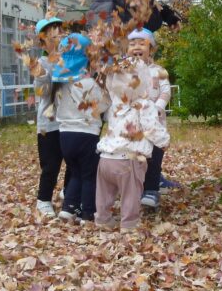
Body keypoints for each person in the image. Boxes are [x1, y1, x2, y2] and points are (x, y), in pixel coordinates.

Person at [95, 56, 170, 232]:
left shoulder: (114, 105)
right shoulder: (143, 104)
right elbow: (152, 128)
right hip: (129, 159)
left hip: (105, 158)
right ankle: (129, 223)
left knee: (104, 193)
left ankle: (102, 218)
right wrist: (164, 141)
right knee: (131, 194)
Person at [53, 34, 110, 222]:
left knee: (75, 172)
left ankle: (68, 208)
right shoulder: (88, 84)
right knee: (89, 176)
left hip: (64, 135)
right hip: (86, 135)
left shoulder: (59, 85)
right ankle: (88, 213)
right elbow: (102, 106)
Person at [126, 28, 174, 209]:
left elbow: (166, 91)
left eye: (141, 43)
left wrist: (158, 107)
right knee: (134, 158)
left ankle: (152, 190)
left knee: (154, 157)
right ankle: (134, 189)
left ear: (151, 49)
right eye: (132, 44)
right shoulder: (126, 71)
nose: (136, 47)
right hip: (134, 123)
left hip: (154, 124)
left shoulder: (158, 71)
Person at [30, 16, 66, 217]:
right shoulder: (42, 63)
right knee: (50, 165)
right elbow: (43, 92)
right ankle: (43, 200)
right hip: (49, 125)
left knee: (74, 161)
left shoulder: (71, 60)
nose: (57, 37)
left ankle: (69, 191)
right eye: (51, 34)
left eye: (59, 32)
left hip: (70, 122)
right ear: (42, 41)